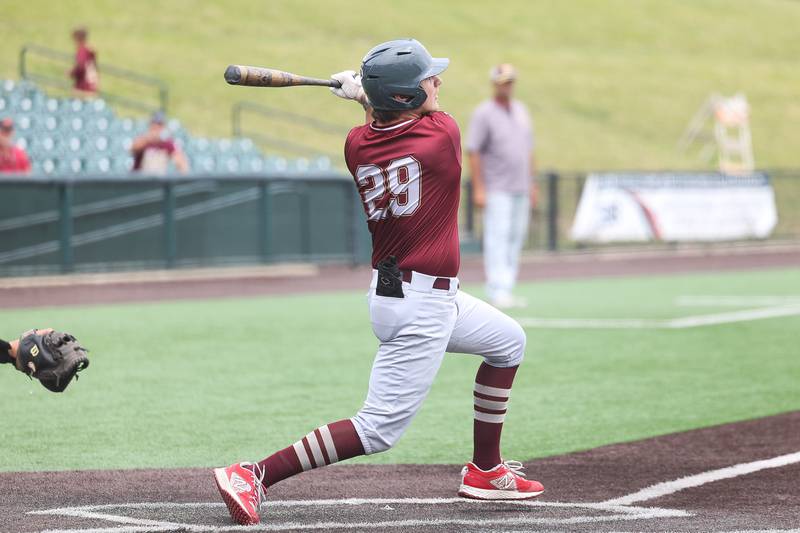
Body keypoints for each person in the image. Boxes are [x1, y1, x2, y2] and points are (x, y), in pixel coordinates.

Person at [213, 39, 543, 526]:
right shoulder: (443, 136)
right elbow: (419, 120)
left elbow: (386, 127)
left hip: (408, 293)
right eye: (429, 79)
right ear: (406, 97)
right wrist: (366, 96)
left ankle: (486, 470)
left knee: (508, 342)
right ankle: (253, 473)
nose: (437, 82)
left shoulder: (355, 143)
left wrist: (366, 99)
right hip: (419, 305)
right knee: (378, 429)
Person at [467, 64, 537, 309]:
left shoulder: (521, 110)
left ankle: (507, 285)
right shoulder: (484, 113)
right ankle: (497, 288)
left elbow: (529, 150)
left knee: (516, 237)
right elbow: (474, 151)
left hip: (521, 185)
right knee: (497, 236)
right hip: (497, 186)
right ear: (494, 84)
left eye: (510, 82)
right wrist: (479, 188)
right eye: (502, 82)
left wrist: (533, 183)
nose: (506, 86)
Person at [69, 27, 99, 96]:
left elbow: (81, 67)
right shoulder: (90, 49)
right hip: (92, 84)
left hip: (83, 86)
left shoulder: (82, 50)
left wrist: (72, 72)